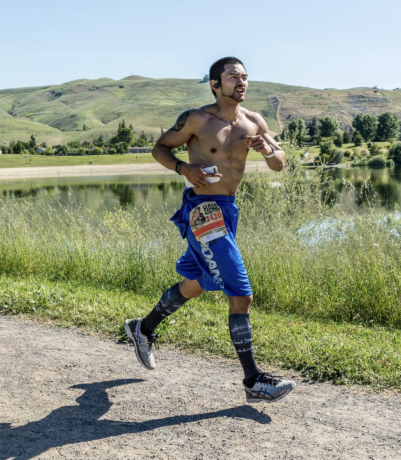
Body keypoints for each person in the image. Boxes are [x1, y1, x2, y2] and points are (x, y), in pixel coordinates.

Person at [124, 57, 296, 403]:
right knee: (241, 294)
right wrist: (183, 168)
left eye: (245, 77)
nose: (242, 82)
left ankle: (142, 328)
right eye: (233, 77)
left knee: (197, 284)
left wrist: (267, 150)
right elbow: (160, 147)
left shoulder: (254, 121)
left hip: (228, 211)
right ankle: (252, 380)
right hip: (203, 211)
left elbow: (280, 163)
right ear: (215, 84)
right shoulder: (197, 119)